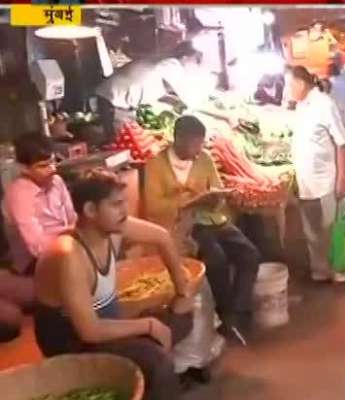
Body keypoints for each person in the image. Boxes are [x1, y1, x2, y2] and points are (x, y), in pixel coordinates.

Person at [33, 169, 194, 400]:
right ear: (90, 210)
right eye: (116, 204)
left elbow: (163, 238)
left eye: (124, 203)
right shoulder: (69, 255)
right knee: (157, 361)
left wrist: (182, 290)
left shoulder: (113, 228)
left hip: (107, 324)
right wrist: (147, 325)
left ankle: (148, 386)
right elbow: (89, 331)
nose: (125, 211)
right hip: (74, 342)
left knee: (183, 315)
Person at [143, 116, 260, 343]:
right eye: (194, 144)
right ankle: (225, 315)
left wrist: (218, 198)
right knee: (216, 260)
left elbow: (215, 190)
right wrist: (186, 203)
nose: (199, 150)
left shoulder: (204, 160)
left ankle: (237, 314)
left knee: (249, 254)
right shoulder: (155, 166)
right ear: (178, 139)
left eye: (201, 144)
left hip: (210, 219)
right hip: (182, 227)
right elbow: (153, 207)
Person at [96, 41, 231, 143]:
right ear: (184, 57)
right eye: (195, 60)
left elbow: (159, 88)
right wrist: (225, 116)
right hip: (112, 102)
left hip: (112, 99)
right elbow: (190, 100)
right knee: (118, 143)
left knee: (128, 139)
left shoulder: (164, 61)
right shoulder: (170, 65)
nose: (196, 65)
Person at [286, 66, 345, 284]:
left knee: (331, 228)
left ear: (301, 84)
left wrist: (341, 177)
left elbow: (341, 142)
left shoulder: (324, 104)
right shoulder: (300, 106)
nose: (288, 89)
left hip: (326, 180)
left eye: (290, 84)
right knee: (312, 230)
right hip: (306, 180)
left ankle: (338, 270)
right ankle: (320, 270)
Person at [3, 133, 77, 275]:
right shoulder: (19, 194)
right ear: (23, 168)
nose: (52, 169)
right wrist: (69, 238)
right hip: (35, 263)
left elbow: (72, 218)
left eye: (53, 162)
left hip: (68, 246)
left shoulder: (56, 181)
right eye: (43, 166)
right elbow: (37, 248)